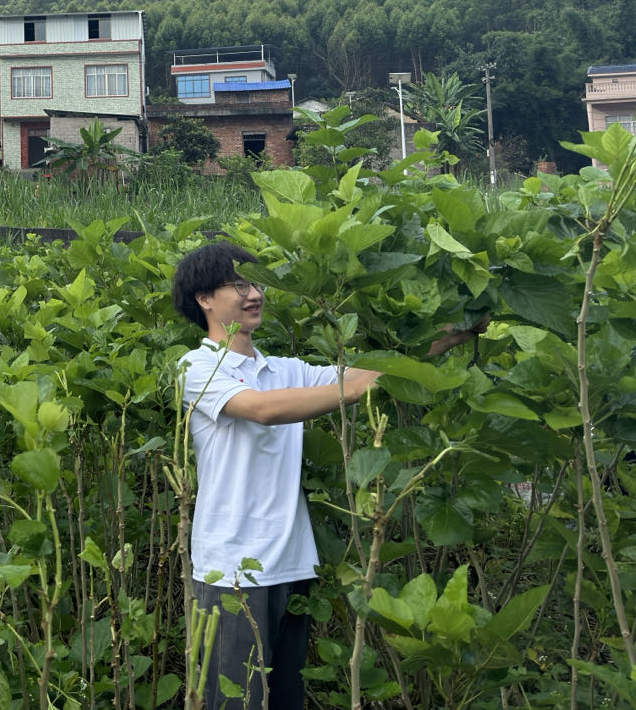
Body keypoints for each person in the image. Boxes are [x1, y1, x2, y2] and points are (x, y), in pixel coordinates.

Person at [173, 240, 479, 710]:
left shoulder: (282, 369)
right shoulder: (197, 368)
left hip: (291, 562)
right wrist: (352, 390)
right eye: (238, 285)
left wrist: (454, 335)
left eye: (256, 283)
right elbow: (262, 409)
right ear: (204, 299)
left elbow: (368, 372)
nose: (254, 294)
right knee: (236, 701)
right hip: (231, 569)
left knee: (285, 699)